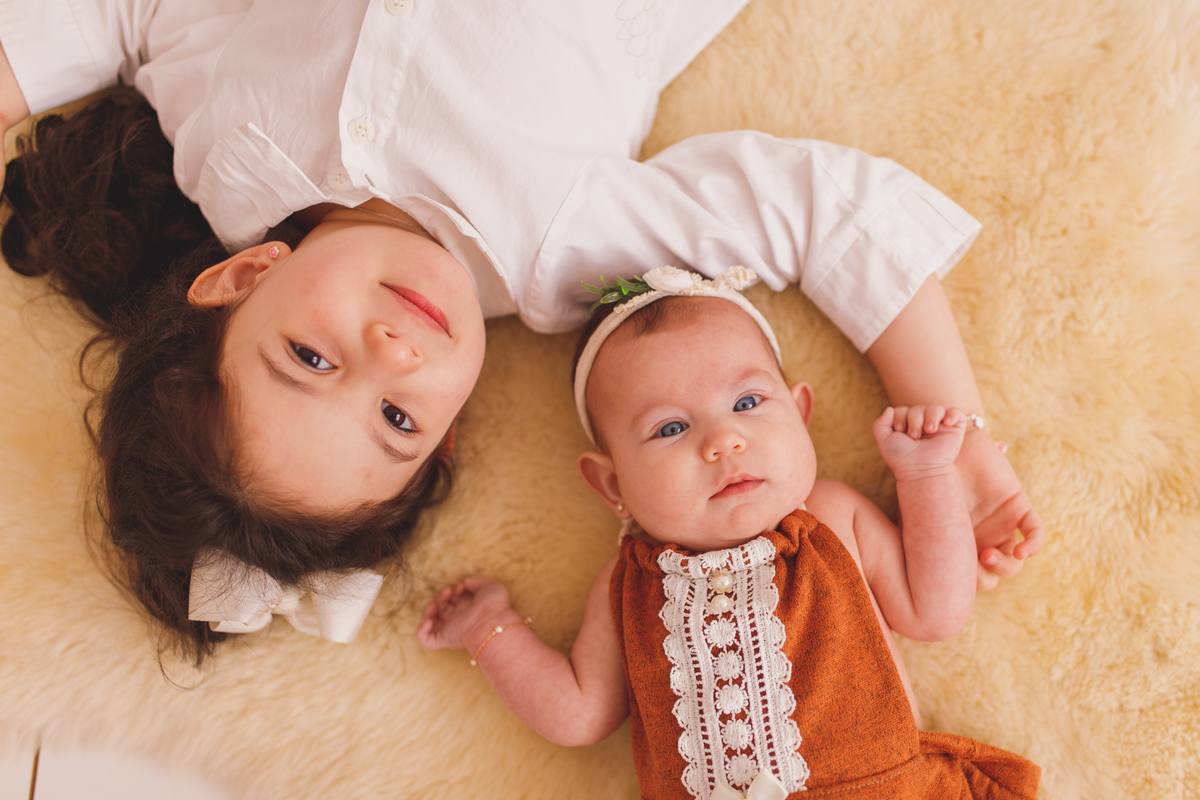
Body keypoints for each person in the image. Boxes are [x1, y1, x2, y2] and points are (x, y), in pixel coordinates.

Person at [0, 1, 1041, 664]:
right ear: (451, 426)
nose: (393, 354)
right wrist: (969, 440)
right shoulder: (567, 253)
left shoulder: (219, 146)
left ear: (241, 276)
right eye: (398, 416)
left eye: (310, 358)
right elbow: (820, 212)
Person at [417, 268, 1041, 798]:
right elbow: (580, 711)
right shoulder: (628, 582)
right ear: (613, 487)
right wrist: (487, 628)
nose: (723, 441)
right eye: (669, 429)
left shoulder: (831, 517)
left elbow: (936, 610)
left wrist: (926, 476)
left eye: (747, 403)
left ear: (800, 414)